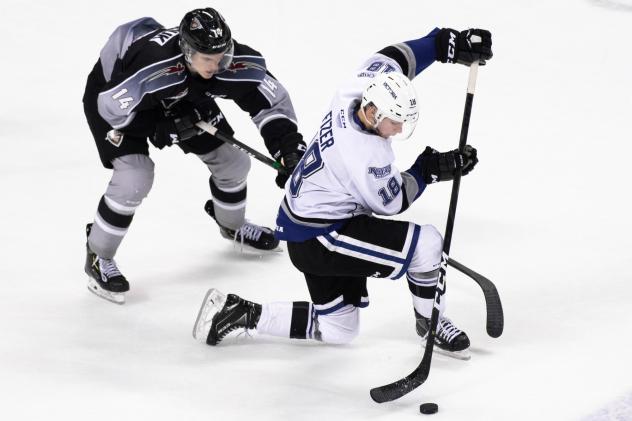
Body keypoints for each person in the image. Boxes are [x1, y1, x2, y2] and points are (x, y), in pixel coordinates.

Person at [192, 27, 492, 359]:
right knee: (428, 244)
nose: (400, 129)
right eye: (395, 121)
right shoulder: (366, 157)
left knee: (339, 329)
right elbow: (393, 202)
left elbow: (392, 58)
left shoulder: (357, 90)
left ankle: (237, 312)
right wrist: (430, 169)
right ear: (375, 112)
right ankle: (430, 324)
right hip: (323, 236)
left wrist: (442, 45)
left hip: (302, 223)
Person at [83, 8, 306, 304]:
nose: (217, 65)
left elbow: (270, 102)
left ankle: (232, 224)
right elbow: (109, 108)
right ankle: (98, 254)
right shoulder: (154, 68)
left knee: (233, 162)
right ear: (187, 52)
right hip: (117, 100)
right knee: (135, 177)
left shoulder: (229, 61)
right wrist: (159, 127)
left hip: (180, 93)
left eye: (222, 56)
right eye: (208, 59)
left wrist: (288, 149)